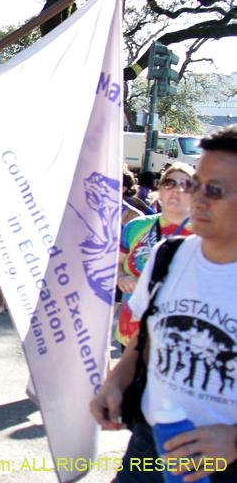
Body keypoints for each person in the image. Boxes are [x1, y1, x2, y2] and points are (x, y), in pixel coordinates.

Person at [89, 125, 237, 482]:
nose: (196, 199)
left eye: (214, 190)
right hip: (149, 445)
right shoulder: (167, 256)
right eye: (194, 184)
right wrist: (114, 382)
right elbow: (146, 338)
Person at [116, 163, 194, 347]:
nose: (176, 190)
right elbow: (117, 263)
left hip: (176, 339)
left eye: (185, 185)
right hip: (131, 331)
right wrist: (121, 276)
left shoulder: (204, 234)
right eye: (170, 183)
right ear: (160, 189)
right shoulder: (135, 226)